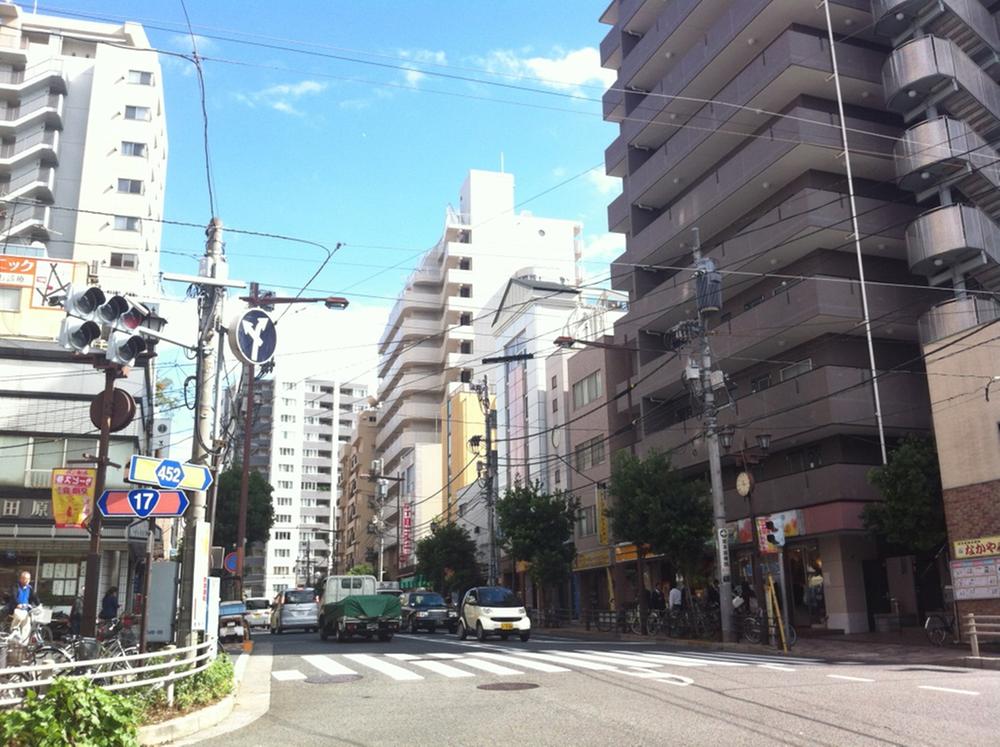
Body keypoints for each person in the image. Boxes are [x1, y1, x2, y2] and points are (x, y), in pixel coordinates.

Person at [6, 570, 40, 644]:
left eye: (28, 579)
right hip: (16, 609)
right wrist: (17, 604)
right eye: (25, 578)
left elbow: (34, 597)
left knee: (27, 627)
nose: (27, 580)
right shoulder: (16, 586)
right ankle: (13, 631)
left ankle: (24, 645)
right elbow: (13, 596)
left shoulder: (29, 588)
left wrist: (39, 605)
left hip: (25, 610)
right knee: (19, 616)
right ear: (21, 578)